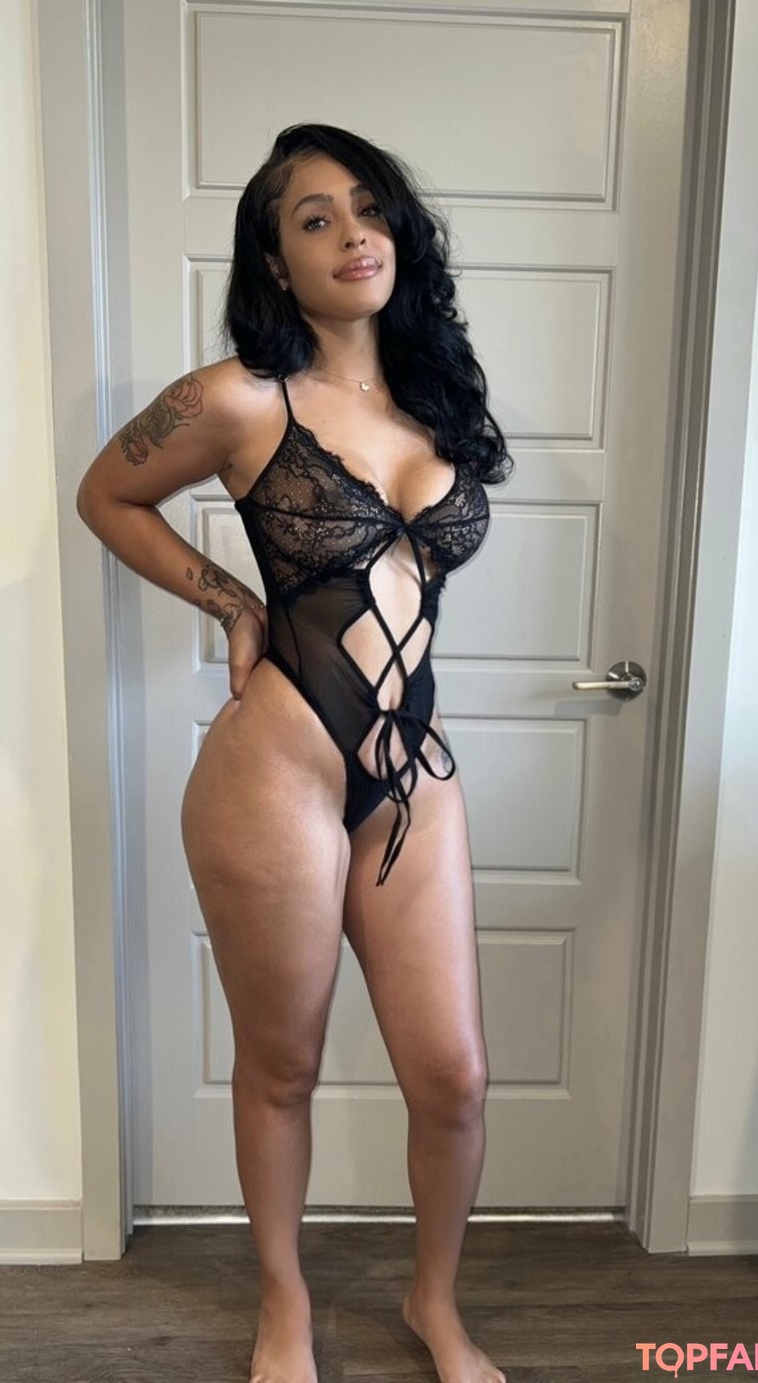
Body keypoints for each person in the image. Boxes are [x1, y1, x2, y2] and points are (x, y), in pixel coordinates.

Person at [77, 122, 512, 1383]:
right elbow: (107, 494)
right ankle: (284, 1305)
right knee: (283, 1066)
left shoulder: (435, 399)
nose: (352, 235)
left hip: (413, 776)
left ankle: (436, 1305)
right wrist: (231, 603)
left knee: (455, 1077)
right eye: (314, 219)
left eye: (369, 209)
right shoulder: (239, 399)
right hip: (279, 771)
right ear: (275, 261)